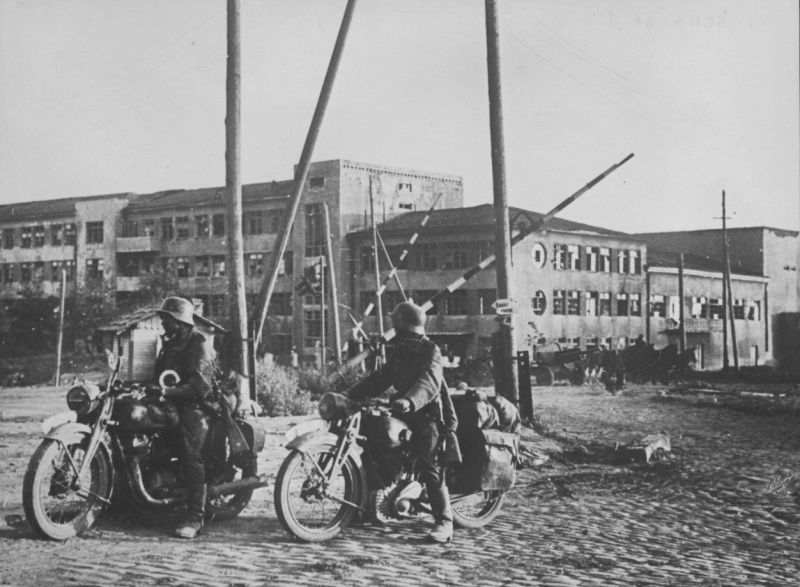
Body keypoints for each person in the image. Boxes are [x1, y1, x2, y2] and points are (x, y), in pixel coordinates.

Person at [346, 301, 454, 544]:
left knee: (429, 462)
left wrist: (409, 401)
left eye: (399, 328)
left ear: (407, 328)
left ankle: (444, 521)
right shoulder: (401, 352)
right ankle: (366, 507)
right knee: (373, 446)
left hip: (428, 415)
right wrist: (350, 394)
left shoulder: (430, 350)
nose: (397, 333)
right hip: (404, 413)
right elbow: (380, 378)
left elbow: (429, 381)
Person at [151, 296, 218, 539]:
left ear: (180, 322)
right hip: (171, 403)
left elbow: (200, 388)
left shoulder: (199, 344)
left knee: (191, 454)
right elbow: (157, 377)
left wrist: (166, 392)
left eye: (167, 319)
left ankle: (195, 517)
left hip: (197, 406)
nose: (163, 324)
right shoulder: (169, 345)